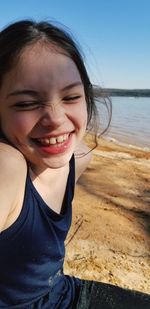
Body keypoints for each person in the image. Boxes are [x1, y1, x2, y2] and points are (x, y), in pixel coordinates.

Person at [0, 20, 149, 309]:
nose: (55, 118)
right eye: (26, 103)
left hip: (65, 294)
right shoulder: (8, 166)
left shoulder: (78, 158)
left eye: (70, 97)